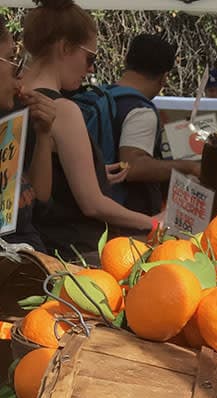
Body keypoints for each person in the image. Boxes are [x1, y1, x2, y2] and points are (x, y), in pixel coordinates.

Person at [20, 0, 155, 261]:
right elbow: (92, 204)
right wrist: (155, 223)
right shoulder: (63, 110)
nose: (91, 68)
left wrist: (93, 172)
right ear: (65, 47)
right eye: (89, 58)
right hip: (74, 251)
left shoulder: (13, 97)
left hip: (30, 248)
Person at [114, 34, 201, 216]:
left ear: (126, 62)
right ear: (164, 78)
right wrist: (189, 167)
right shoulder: (141, 110)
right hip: (128, 217)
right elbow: (132, 166)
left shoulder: (105, 96)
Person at [0, 17, 56, 251]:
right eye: (12, 60)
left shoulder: (7, 124)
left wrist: (43, 134)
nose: (21, 76)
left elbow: (38, 200)